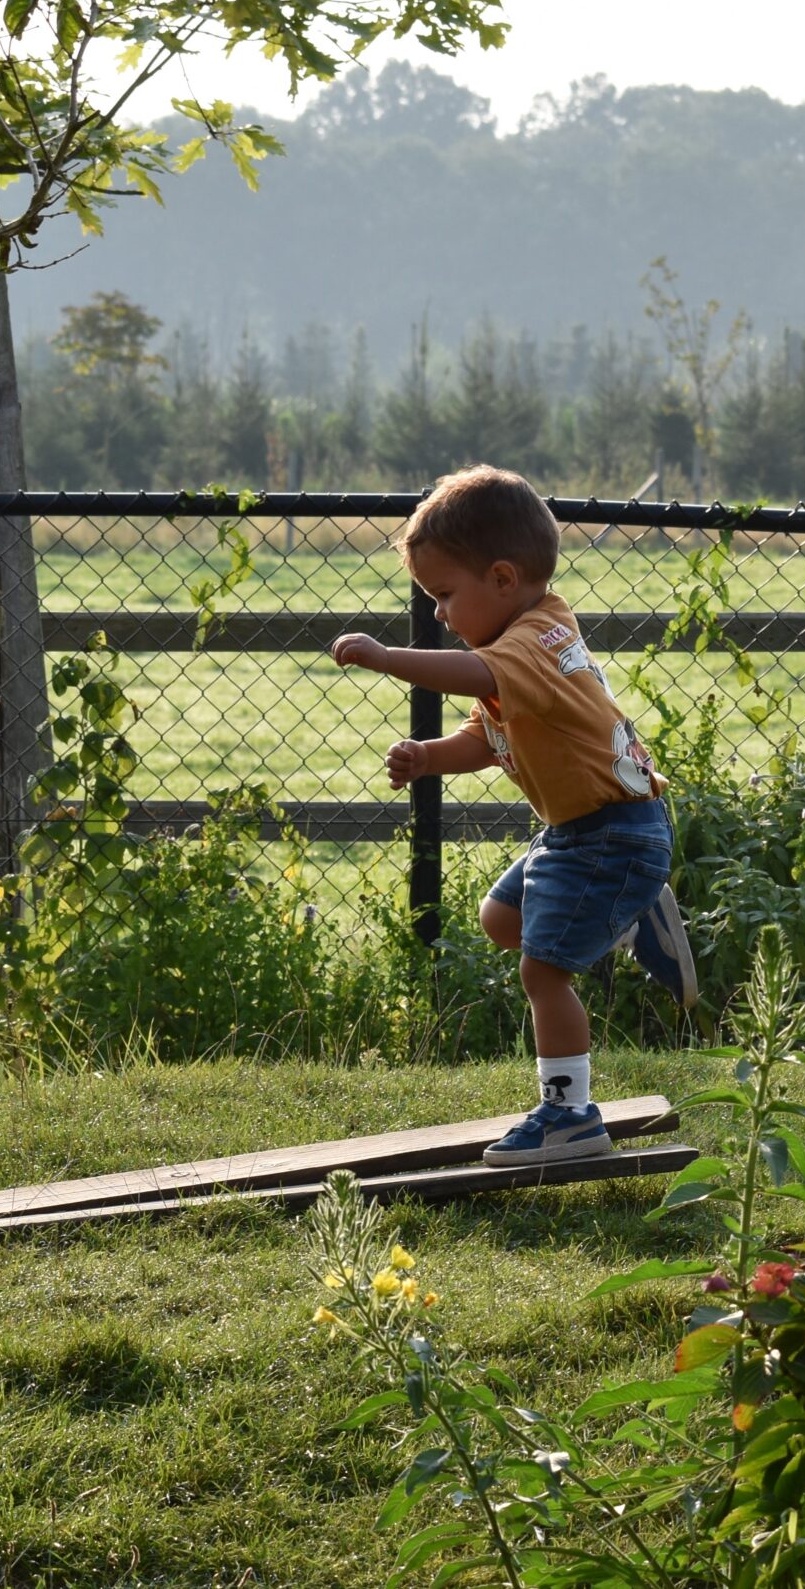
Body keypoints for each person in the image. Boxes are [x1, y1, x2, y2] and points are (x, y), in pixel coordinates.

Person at [331, 465, 698, 1165]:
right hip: (584, 832)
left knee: (542, 972)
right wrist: (432, 756)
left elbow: (479, 679)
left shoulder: (529, 643)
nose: (439, 614)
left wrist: (386, 659)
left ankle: (569, 1117)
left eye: (443, 595)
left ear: (503, 578)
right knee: (501, 920)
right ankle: (629, 913)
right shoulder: (523, 640)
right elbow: (488, 737)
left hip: (613, 835)